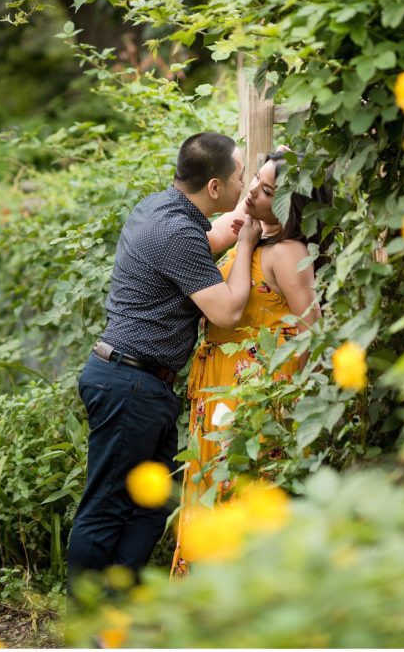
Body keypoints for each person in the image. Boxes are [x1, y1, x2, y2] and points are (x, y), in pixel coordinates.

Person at [67, 132, 261, 587]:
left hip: (137, 382)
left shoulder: (161, 208)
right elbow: (227, 312)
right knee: (108, 507)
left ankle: (118, 617)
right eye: (240, 178)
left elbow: (207, 241)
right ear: (214, 187)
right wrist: (249, 243)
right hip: (128, 384)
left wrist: (244, 214)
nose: (243, 183)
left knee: (150, 508)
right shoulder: (175, 230)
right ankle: (85, 629)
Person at [171, 149, 331, 576]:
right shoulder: (254, 238)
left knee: (240, 491)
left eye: (267, 191)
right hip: (216, 385)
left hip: (254, 393)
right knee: (210, 491)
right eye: (255, 183)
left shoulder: (287, 253)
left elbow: (314, 332)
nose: (254, 194)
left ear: (289, 205)